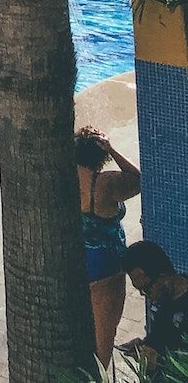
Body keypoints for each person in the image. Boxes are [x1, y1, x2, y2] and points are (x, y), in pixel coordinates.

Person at [75, 126, 141, 365]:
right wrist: (112, 149)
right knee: (104, 339)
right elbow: (138, 180)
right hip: (107, 267)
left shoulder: (67, 176)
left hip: (78, 260)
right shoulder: (105, 183)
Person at [121, 240, 188, 374]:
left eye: (146, 289)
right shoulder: (161, 300)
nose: (144, 295)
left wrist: (160, 361)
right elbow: (161, 336)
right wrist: (143, 345)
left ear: (164, 278)